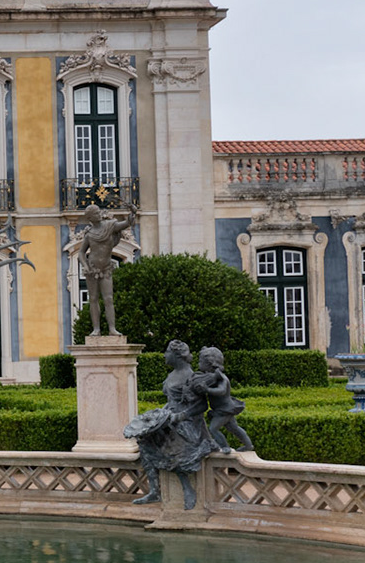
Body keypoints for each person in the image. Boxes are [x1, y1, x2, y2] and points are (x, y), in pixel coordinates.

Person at [124, 340, 214, 509]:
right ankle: (154, 490)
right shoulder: (172, 375)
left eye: (167, 352)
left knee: (173, 442)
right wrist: (158, 415)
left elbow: (202, 405)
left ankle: (187, 487)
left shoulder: (191, 377)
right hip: (170, 418)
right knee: (145, 439)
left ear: (177, 356)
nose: (164, 355)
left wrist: (181, 416)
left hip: (189, 424)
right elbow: (171, 401)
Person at [66, 206, 135, 337]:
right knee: (93, 298)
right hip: (92, 269)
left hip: (106, 267)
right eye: (96, 213)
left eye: (98, 212)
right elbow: (81, 253)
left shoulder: (110, 226)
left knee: (108, 298)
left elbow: (126, 224)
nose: (99, 214)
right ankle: (96, 329)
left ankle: (112, 329)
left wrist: (133, 213)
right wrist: (85, 266)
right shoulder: (89, 234)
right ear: (90, 218)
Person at [193, 347, 253, 451]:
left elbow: (221, 391)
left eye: (200, 361)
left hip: (224, 410)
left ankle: (225, 447)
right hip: (222, 409)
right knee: (234, 428)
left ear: (209, 363)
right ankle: (248, 445)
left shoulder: (221, 377)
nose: (198, 364)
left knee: (213, 429)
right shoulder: (211, 377)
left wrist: (207, 389)